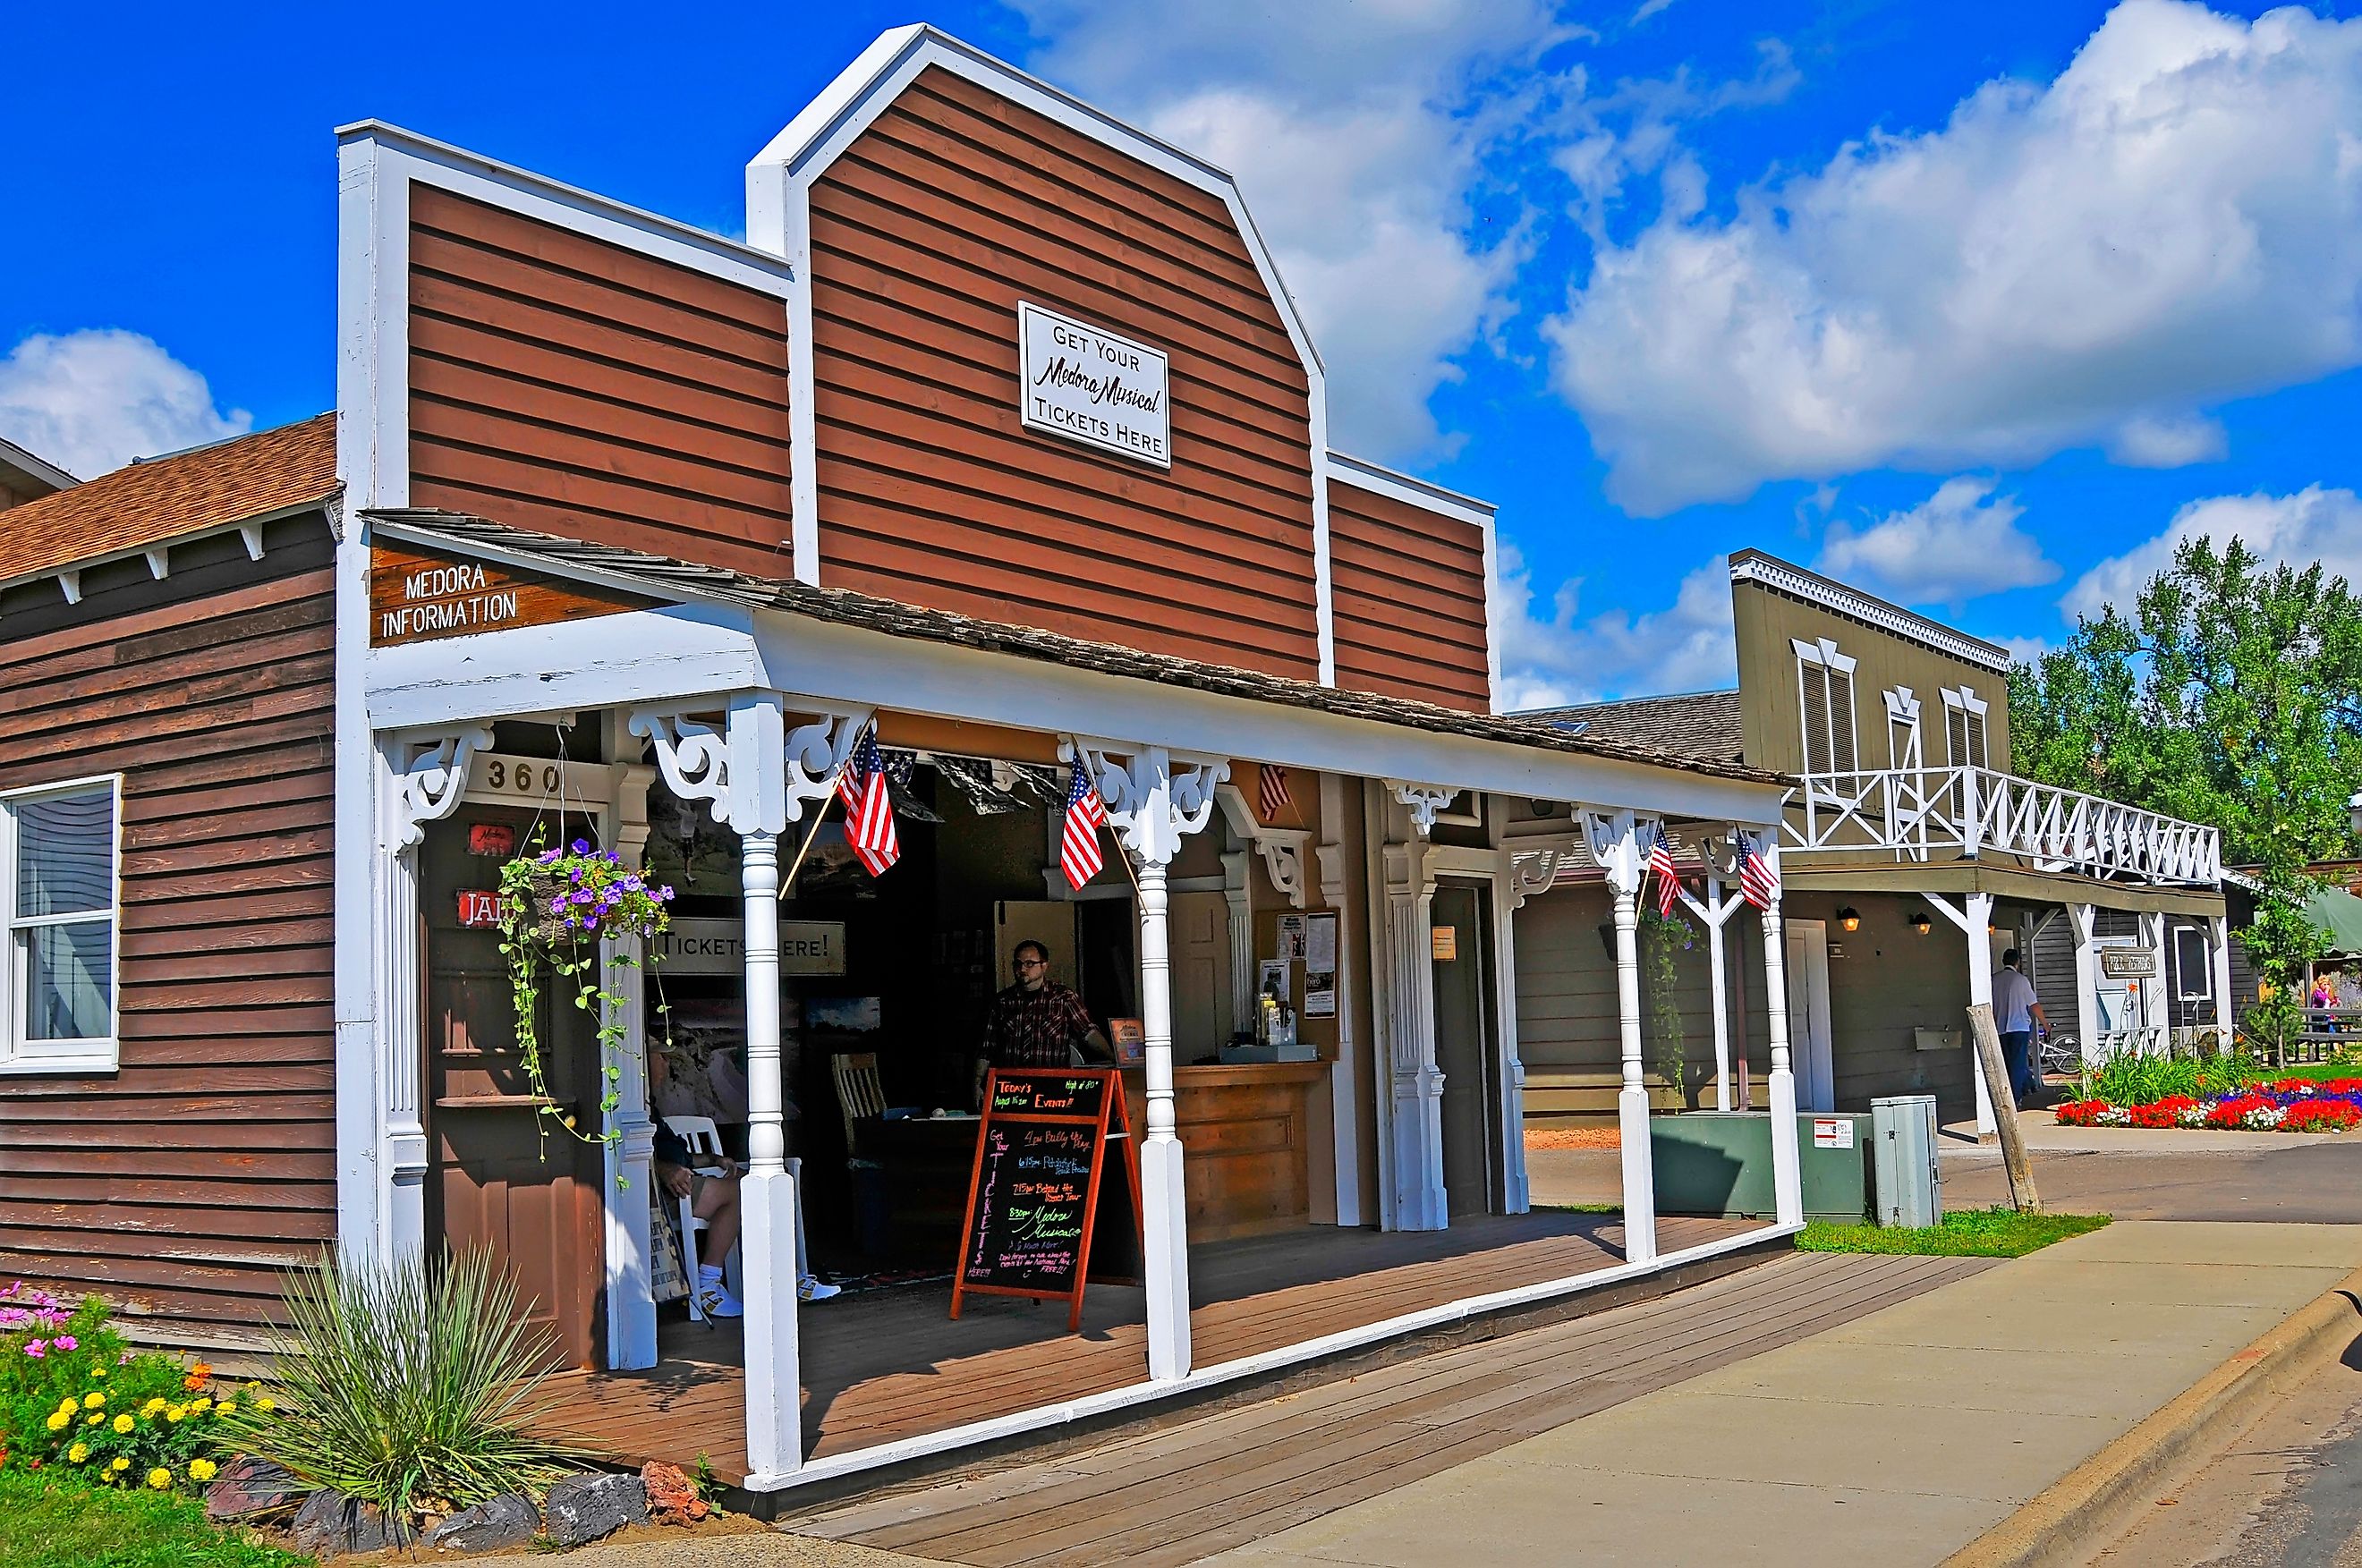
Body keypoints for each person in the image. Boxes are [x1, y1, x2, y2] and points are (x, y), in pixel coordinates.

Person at [974, 939, 1111, 1104]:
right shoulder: (1003, 1002)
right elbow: (987, 1048)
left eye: (1029, 964)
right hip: (1012, 1089)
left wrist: (1113, 1058)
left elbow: (1089, 1033)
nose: (1022, 969)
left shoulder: (1063, 998)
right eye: (1018, 964)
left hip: (1053, 1088)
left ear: (1044, 965)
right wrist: (977, 1083)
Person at [1994, 948, 2050, 1109]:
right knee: (2018, 1064)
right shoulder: (2020, 980)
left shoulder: (1994, 980)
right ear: (2017, 962)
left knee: (2006, 1064)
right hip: (2018, 1027)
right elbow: (2034, 1004)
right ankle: (2015, 1098)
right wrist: (2044, 1023)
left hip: (2000, 1028)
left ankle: (2028, 1085)